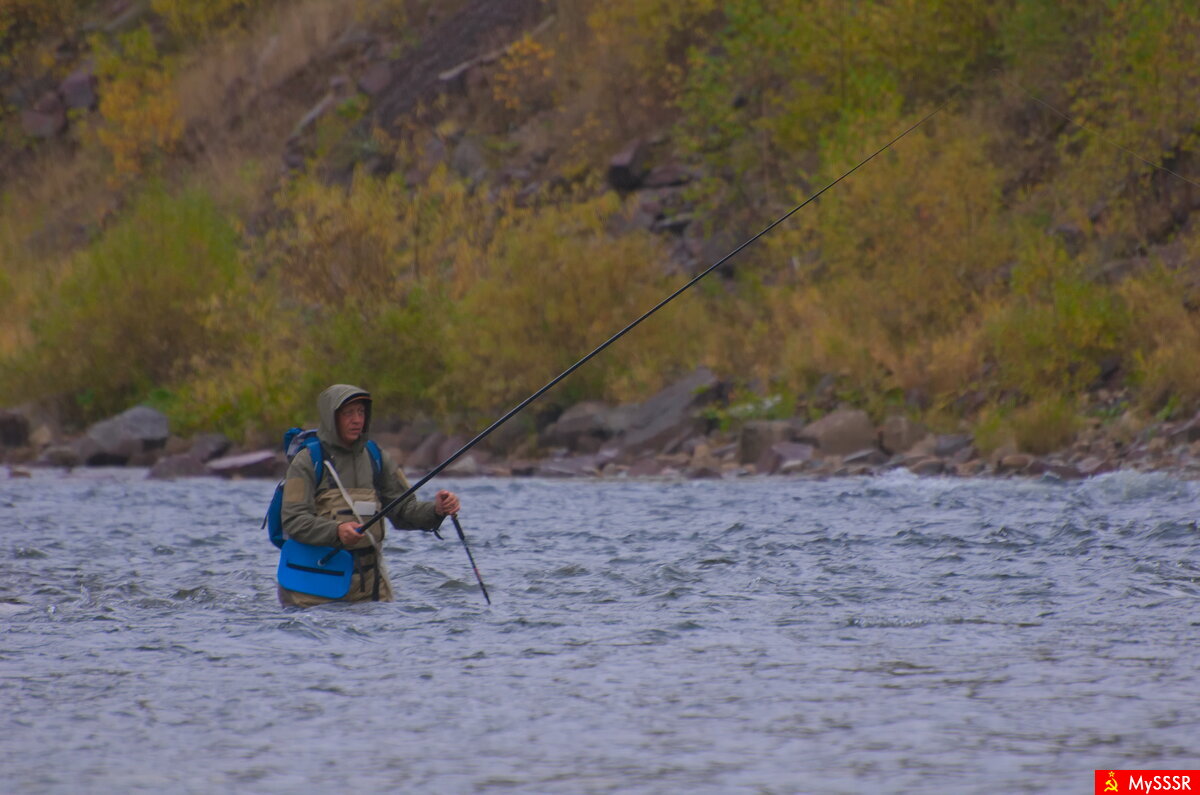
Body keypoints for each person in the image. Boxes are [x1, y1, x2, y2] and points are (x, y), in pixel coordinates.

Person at [278, 383, 461, 607]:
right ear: (330, 417)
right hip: (313, 592)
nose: (357, 420)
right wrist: (336, 531)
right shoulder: (307, 461)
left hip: (369, 592)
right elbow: (294, 520)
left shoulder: (377, 457)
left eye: (361, 412)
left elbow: (404, 511)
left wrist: (437, 510)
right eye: (348, 413)